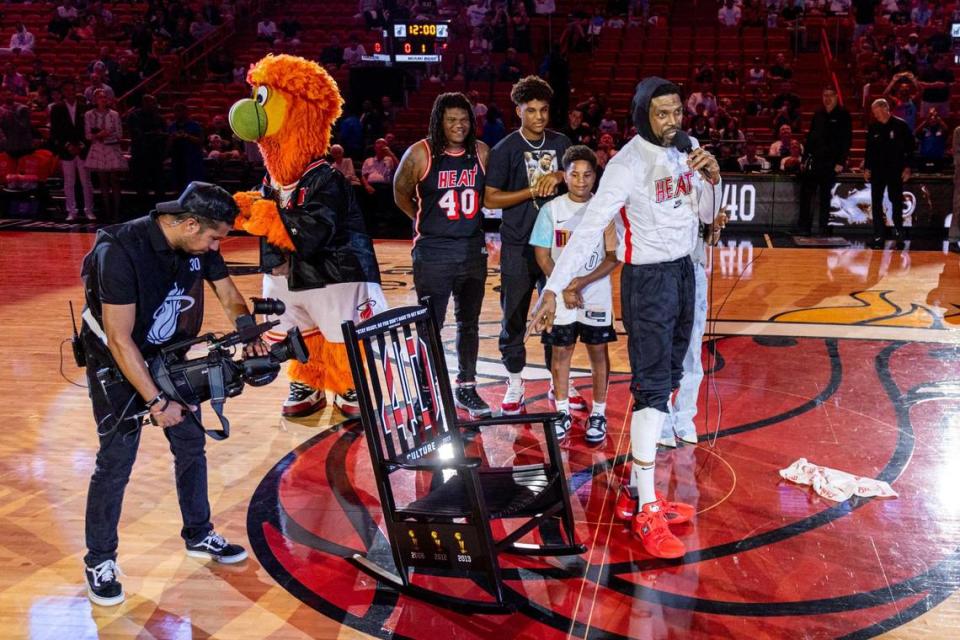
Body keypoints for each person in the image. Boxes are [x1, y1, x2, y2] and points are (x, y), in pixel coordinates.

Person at [527, 77, 722, 559]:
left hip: (684, 274)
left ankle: (639, 493)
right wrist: (553, 289)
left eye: (677, 112)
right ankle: (649, 508)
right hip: (648, 281)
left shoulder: (689, 149)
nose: (672, 122)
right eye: (662, 114)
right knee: (654, 389)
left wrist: (714, 180)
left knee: (668, 380)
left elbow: (706, 215)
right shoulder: (625, 165)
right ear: (642, 116)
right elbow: (592, 228)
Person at [79, 182, 266, 607]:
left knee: (191, 444)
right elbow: (119, 338)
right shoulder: (120, 251)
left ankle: (199, 534)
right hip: (117, 361)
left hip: (171, 357)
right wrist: (156, 401)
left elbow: (226, 292)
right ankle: (100, 560)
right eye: (214, 238)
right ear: (187, 223)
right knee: (115, 461)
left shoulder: (197, 243)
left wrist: (247, 329)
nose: (216, 246)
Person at [393, 92, 492, 418]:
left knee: (469, 324)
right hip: (433, 253)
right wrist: (424, 221)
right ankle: (425, 388)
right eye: (452, 119)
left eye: (464, 119)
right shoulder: (419, 154)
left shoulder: (480, 153)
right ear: (439, 121)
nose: (459, 125)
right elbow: (400, 193)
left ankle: (467, 387)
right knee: (430, 325)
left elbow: (491, 196)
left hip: (472, 251)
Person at [484, 75, 573, 414]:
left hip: (555, 247)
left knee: (559, 316)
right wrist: (532, 190)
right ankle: (515, 383)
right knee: (514, 317)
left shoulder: (562, 143)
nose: (538, 117)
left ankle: (557, 384)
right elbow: (490, 197)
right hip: (518, 244)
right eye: (531, 110)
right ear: (518, 110)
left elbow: (583, 172)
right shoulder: (505, 149)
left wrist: (562, 176)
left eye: (544, 110)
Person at [529, 145, 617, 444]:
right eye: (574, 174)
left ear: (596, 177)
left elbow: (612, 257)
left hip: (595, 292)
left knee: (598, 353)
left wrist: (581, 282)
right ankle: (562, 410)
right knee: (561, 351)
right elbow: (542, 256)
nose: (581, 181)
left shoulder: (604, 210)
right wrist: (566, 286)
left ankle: (600, 413)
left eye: (587, 175)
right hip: (559, 293)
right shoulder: (551, 210)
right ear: (564, 176)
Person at [798, 86, 852, 236]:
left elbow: (846, 140)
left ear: (836, 97)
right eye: (825, 95)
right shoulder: (818, 113)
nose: (827, 98)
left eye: (830, 95)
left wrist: (841, 161)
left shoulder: (843, 114)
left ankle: (823, 227)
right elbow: (810, 137)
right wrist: (804, 158)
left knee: (825, 197)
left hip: (832, 163)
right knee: (807, 194)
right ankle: (804, 227)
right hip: (816, 160)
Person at [864, 98, 914, 247]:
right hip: (878, 171)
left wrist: (908, 167)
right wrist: (867, 168)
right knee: (876, 202)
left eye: (876, 111)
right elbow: (869, 151)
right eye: (873, 112)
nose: (875, 115)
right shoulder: (873, 128)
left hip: (895, 170)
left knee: (896, 201)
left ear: (885, 108)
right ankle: (879, 235)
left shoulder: (901, 126)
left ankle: (899, 233)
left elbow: (910, 148)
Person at [49, 80, 96, 221]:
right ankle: (71, 211)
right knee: (69, 182)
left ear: (76, 91)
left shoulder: (85, 108)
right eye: (67, 90)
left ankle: (89, 210)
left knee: (86, 181)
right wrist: (68, 145)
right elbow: (55, 131)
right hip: (66, 150)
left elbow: (90, 130)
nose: (70, 92)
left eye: (72, 89)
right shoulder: (57, 108)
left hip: (82, 149)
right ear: (63, 92)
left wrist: (81, 145)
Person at [84, 89, 127, 222]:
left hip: (112, 147)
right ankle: (107, 212)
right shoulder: (89, 115)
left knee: (114, 180)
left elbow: (120, 134)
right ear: (94, 100)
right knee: (102, 181)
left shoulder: (114, 114)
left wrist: (107, 135)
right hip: (98, 148)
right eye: (99, 97)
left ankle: (117, 211)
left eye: (104, 97)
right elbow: (87, 135)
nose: (102, 99)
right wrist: (98, 135)